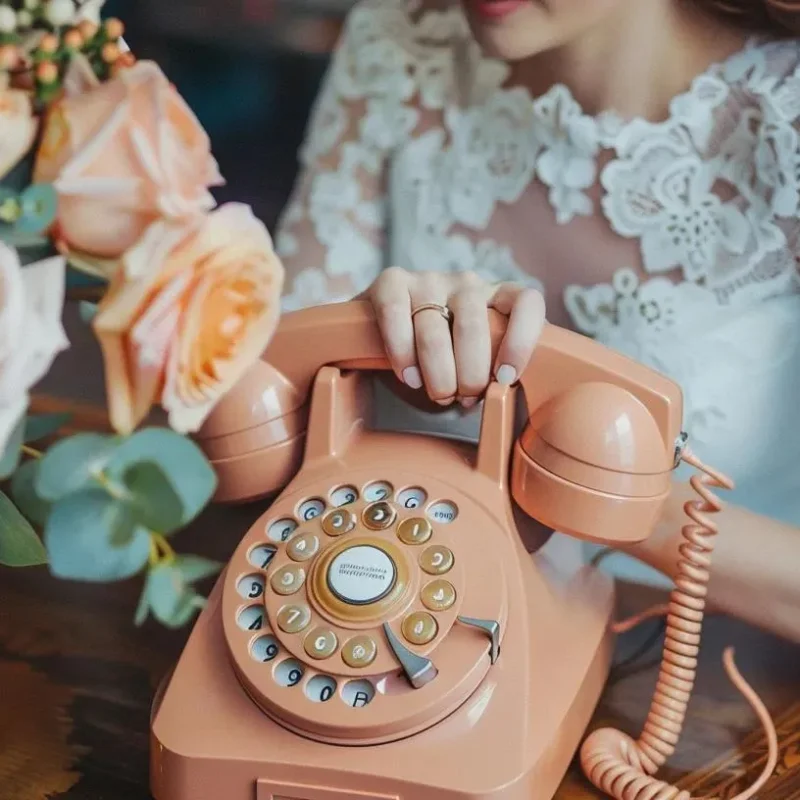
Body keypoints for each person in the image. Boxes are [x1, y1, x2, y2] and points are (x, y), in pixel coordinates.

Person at [273, 0, 800, 645]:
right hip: (391, 619)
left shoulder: (785, 111)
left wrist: (634, 509)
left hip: (722, 676)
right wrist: (378, 362)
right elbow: (260, 403)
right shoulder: (397, 35)